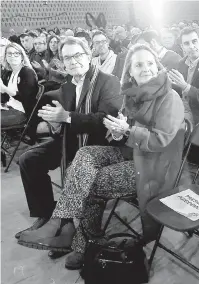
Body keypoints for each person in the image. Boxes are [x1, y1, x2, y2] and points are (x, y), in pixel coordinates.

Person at [17, 44, 186, 270]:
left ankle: (82, 240)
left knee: (88, 180)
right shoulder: (131, 95)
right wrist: (115, 132)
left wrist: (127, 131)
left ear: (158, 66)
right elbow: (118, 132)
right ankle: (61, 221)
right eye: (138, 65)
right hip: (129, 153)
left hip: (153, 164)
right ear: (130, 72)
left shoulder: (170, 96)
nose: (145, 68)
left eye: (149, 63)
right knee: (84, 155)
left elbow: (161, 141)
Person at [15, 37, 122, 244]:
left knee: (74, 162)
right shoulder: (67, 86)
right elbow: (62, 125)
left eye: (77, 55)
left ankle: (67, 226)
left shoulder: (109, 81)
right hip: (70, 140)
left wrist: (65, 117)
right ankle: (47, 215)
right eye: (67, 58)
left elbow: (105, 120)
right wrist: (54, 125)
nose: (72, 61)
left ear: (89, 55)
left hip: (97, 145)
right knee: (29, 159)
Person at [1, 42, 39, 135]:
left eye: (16, 53)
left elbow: (27, 99)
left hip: (22, 112)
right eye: (9, 53)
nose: (12, 56)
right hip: (9, 108)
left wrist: (5, 89)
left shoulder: (27, 72)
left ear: (22, 56)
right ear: (5, 57)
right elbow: (5, 97)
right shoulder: (8, 73)